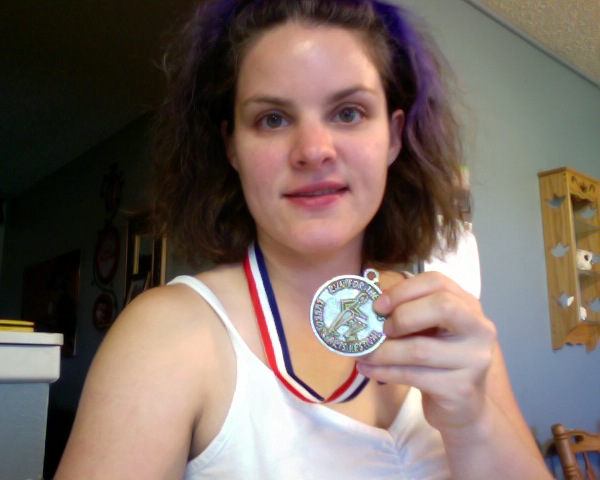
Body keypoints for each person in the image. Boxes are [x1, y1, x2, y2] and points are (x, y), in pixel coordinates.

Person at [55, 1, 551, 478]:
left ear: (395, 136)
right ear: (232, 147)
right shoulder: (163, 335)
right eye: (272, 119)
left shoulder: (452, 326)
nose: (313, 151)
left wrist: (472, 420)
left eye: (348, 112)